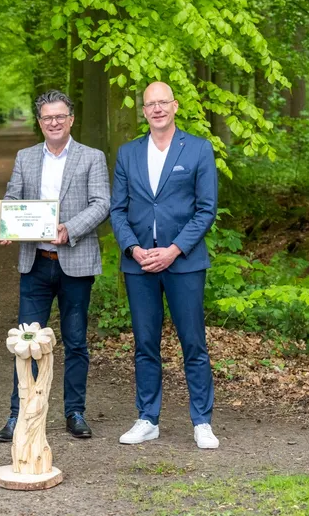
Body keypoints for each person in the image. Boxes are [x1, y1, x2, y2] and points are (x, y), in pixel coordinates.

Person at [0, 90, 110, 442]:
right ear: (40, 122)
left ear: (71, 119)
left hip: (76, 262)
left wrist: (69, 229)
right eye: (47, 117)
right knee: (26, 342)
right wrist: (6, 223)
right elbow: (14, 198)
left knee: (75, 342)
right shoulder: (26, 158)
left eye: (60, 116)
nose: (54, 122)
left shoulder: (92, 157)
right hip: (36, 263)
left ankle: (75, 412)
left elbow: (102, 203)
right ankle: (19, 413)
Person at [110, 81, 220, 449]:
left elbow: (206, 209)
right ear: (143, 111)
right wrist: (133, 249)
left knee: (193, 343)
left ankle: (202, 421)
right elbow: (118, 210)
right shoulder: (128, 153)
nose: (157, 109)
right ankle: (147, 418)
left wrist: (174, 249)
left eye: (163, 103)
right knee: (145, 343)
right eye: (149, 104)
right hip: (139, 264)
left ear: (174, 107)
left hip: (183, 262)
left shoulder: (199, 149)